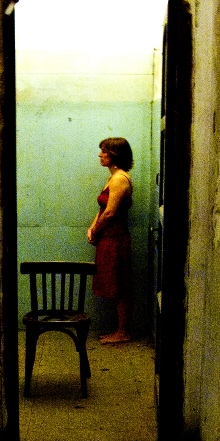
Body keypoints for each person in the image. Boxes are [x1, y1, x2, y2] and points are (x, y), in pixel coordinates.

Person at [87, 137, 134, 344]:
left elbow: (110, 213)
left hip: (116, 238)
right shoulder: (112, 177)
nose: (100, 154)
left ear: (114, 154)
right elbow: (102, 209)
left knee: (120, 285)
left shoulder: (119, 179)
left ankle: (123, 332)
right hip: (108, 237)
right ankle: (120, 330)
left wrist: (95, 231)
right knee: (114, 283)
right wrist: (92, 228)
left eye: (104, 151)